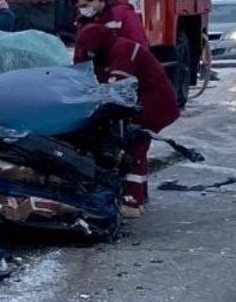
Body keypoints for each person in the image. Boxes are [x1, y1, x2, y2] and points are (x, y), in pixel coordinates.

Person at [75, 23, 180, 218]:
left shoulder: (123, 50)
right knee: (136, 146)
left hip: (153, 105)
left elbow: (115, 87)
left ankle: (132, 200)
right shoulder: (107, 49)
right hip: (140, 104)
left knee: (135, 147)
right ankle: (141, 194)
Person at [73, 0, 146, 57]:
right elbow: (79, 53)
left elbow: (139, 48)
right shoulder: (84, 21)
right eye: (79, 8)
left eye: (84, 6)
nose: (82, 10)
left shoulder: (123, 15)